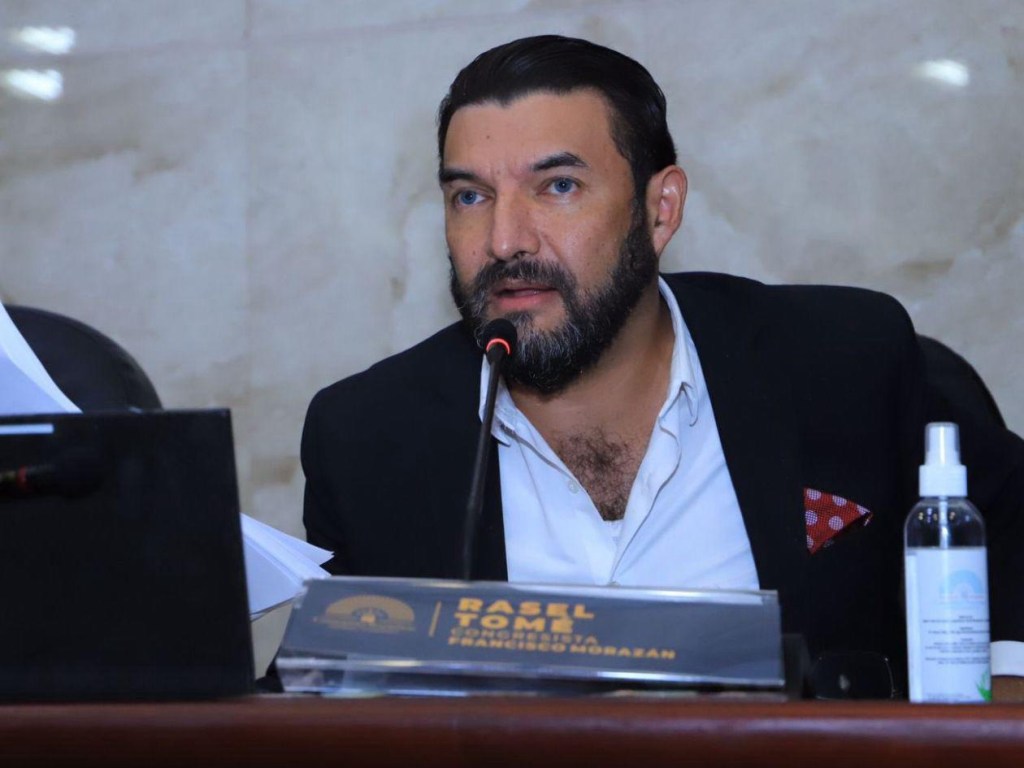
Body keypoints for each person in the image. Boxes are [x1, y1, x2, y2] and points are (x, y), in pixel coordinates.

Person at [300, 35, 1024, 697]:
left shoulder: (840, 359)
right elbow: (319, 696)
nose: (504, 239)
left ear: (660, 209)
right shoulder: (368, 438)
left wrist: (1003, 697)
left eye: (558, 186)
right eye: (470, 196)